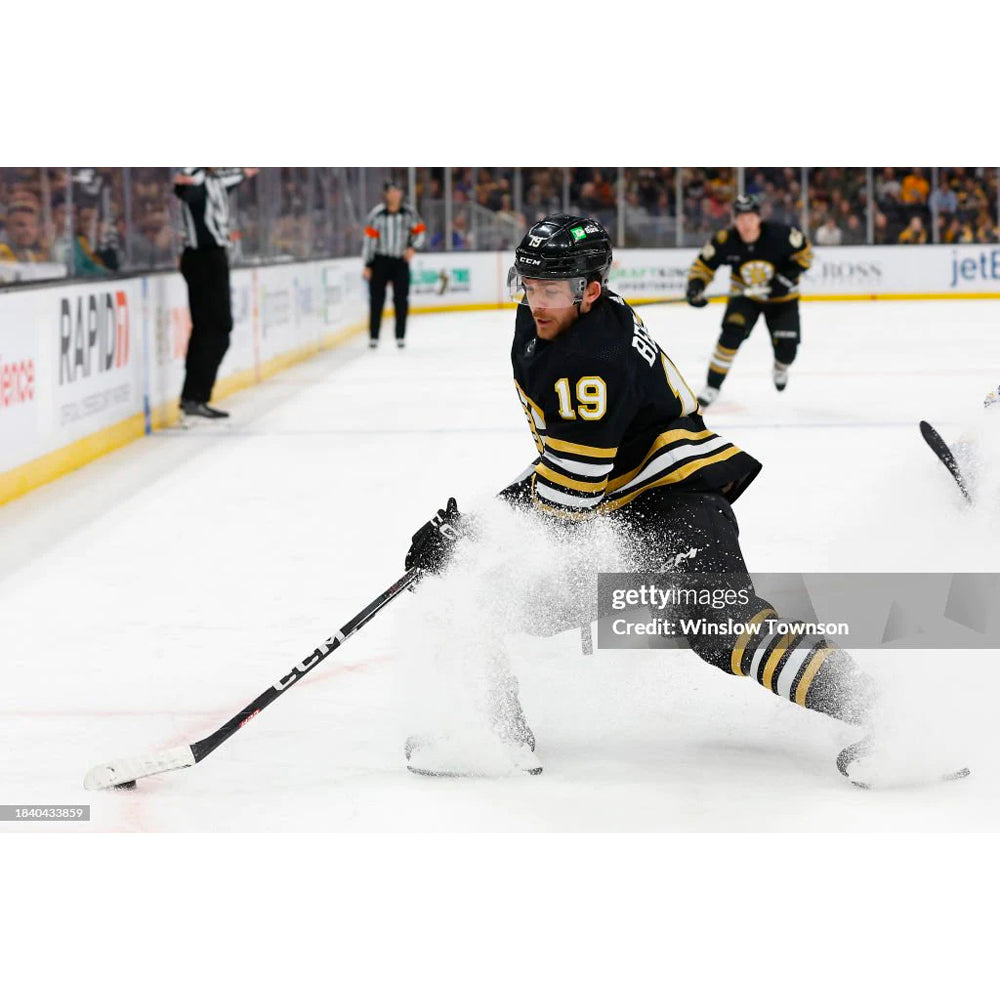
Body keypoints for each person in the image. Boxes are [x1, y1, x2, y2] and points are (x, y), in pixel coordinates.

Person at [401, 214, 874, 779]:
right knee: (476, 598)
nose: (535, 302)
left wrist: (473, 528)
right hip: (624, 518)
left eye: (550, 290)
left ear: (589, 291)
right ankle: (496, 738)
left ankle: (890, 716)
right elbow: (570, 463)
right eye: (528, 286)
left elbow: (571, 494)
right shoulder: (568, 323)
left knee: (728, 629)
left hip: (674, 508)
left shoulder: (591, 361)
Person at [685, 194, 814, 407]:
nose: (746, 223)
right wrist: (696, 286)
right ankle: (712, 386)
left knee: (788, 349)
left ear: (759, 218)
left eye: (751, 218)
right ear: (734, 219)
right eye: (741, 218)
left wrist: (786, 277)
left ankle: (780, 366)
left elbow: (806, 254)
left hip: (782, 299)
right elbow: (704, 265)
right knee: (730, 336)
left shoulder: (780, 235)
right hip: (745, 298)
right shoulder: (725, 240)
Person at [173, 167, 258, 419]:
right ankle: (193, 397)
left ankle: (194, 396)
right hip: (202, 258)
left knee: (214, 330)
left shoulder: (217, 180)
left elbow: (238, 174)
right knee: (213, 329)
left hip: (213, 256)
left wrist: (244, 172)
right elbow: (184, 187)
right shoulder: (195, 175)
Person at [362, 180, 426, 349]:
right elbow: (369, 240)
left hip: (400, 261)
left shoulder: (408, 214)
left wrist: (413, 247)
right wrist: (368, 264)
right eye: (391, 191)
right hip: (380, 260)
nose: (395, 194)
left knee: (401, 299)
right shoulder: (377, 214)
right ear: (386, 194)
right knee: (376, 300)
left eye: (398, 191)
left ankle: (400, 336)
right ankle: (374, 336)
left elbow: (420, 232)